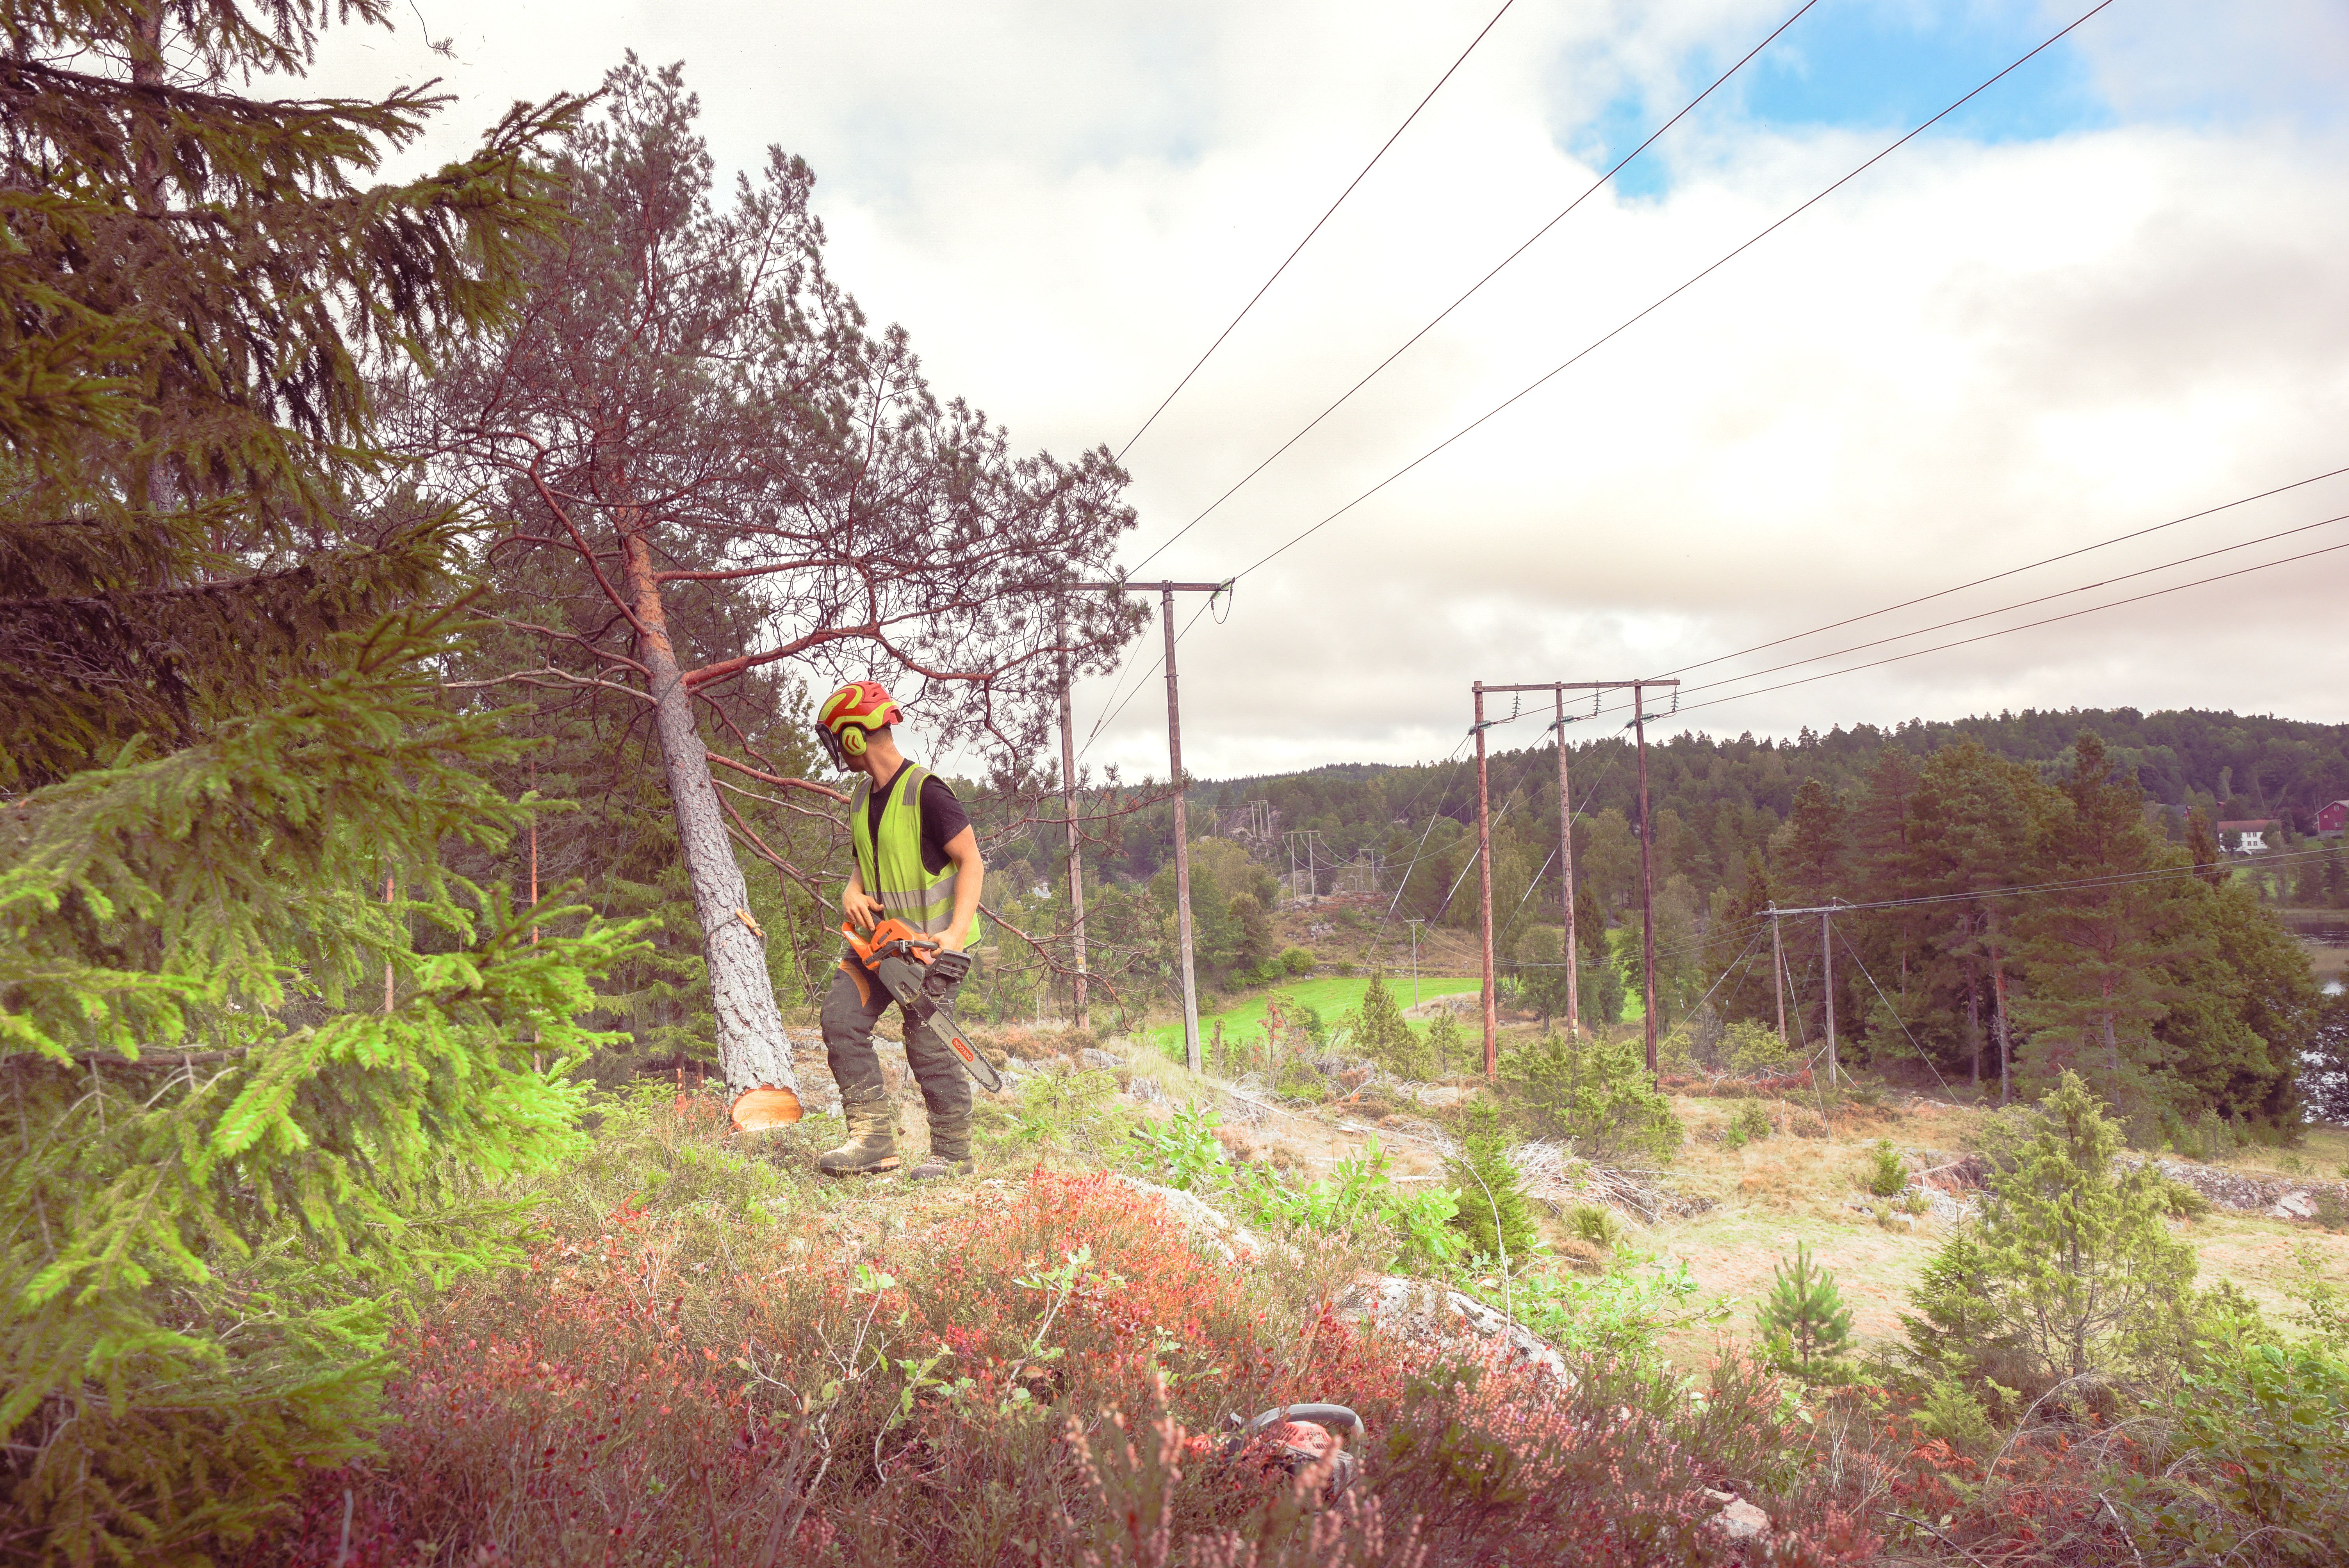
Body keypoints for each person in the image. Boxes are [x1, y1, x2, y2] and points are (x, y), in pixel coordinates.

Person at [813, 680, 987, 1180]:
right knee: (841, 1019)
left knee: (928, 1041)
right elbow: (866, 862)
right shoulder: (861, 797)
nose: (834, 748)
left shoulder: (926, 792)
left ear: (853, 735)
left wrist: (954, 935)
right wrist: (851, 890)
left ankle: (953, 1155)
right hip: (879, 945)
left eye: (835, 737)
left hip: (933, 949)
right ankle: (871, 1141)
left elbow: (971, 861)